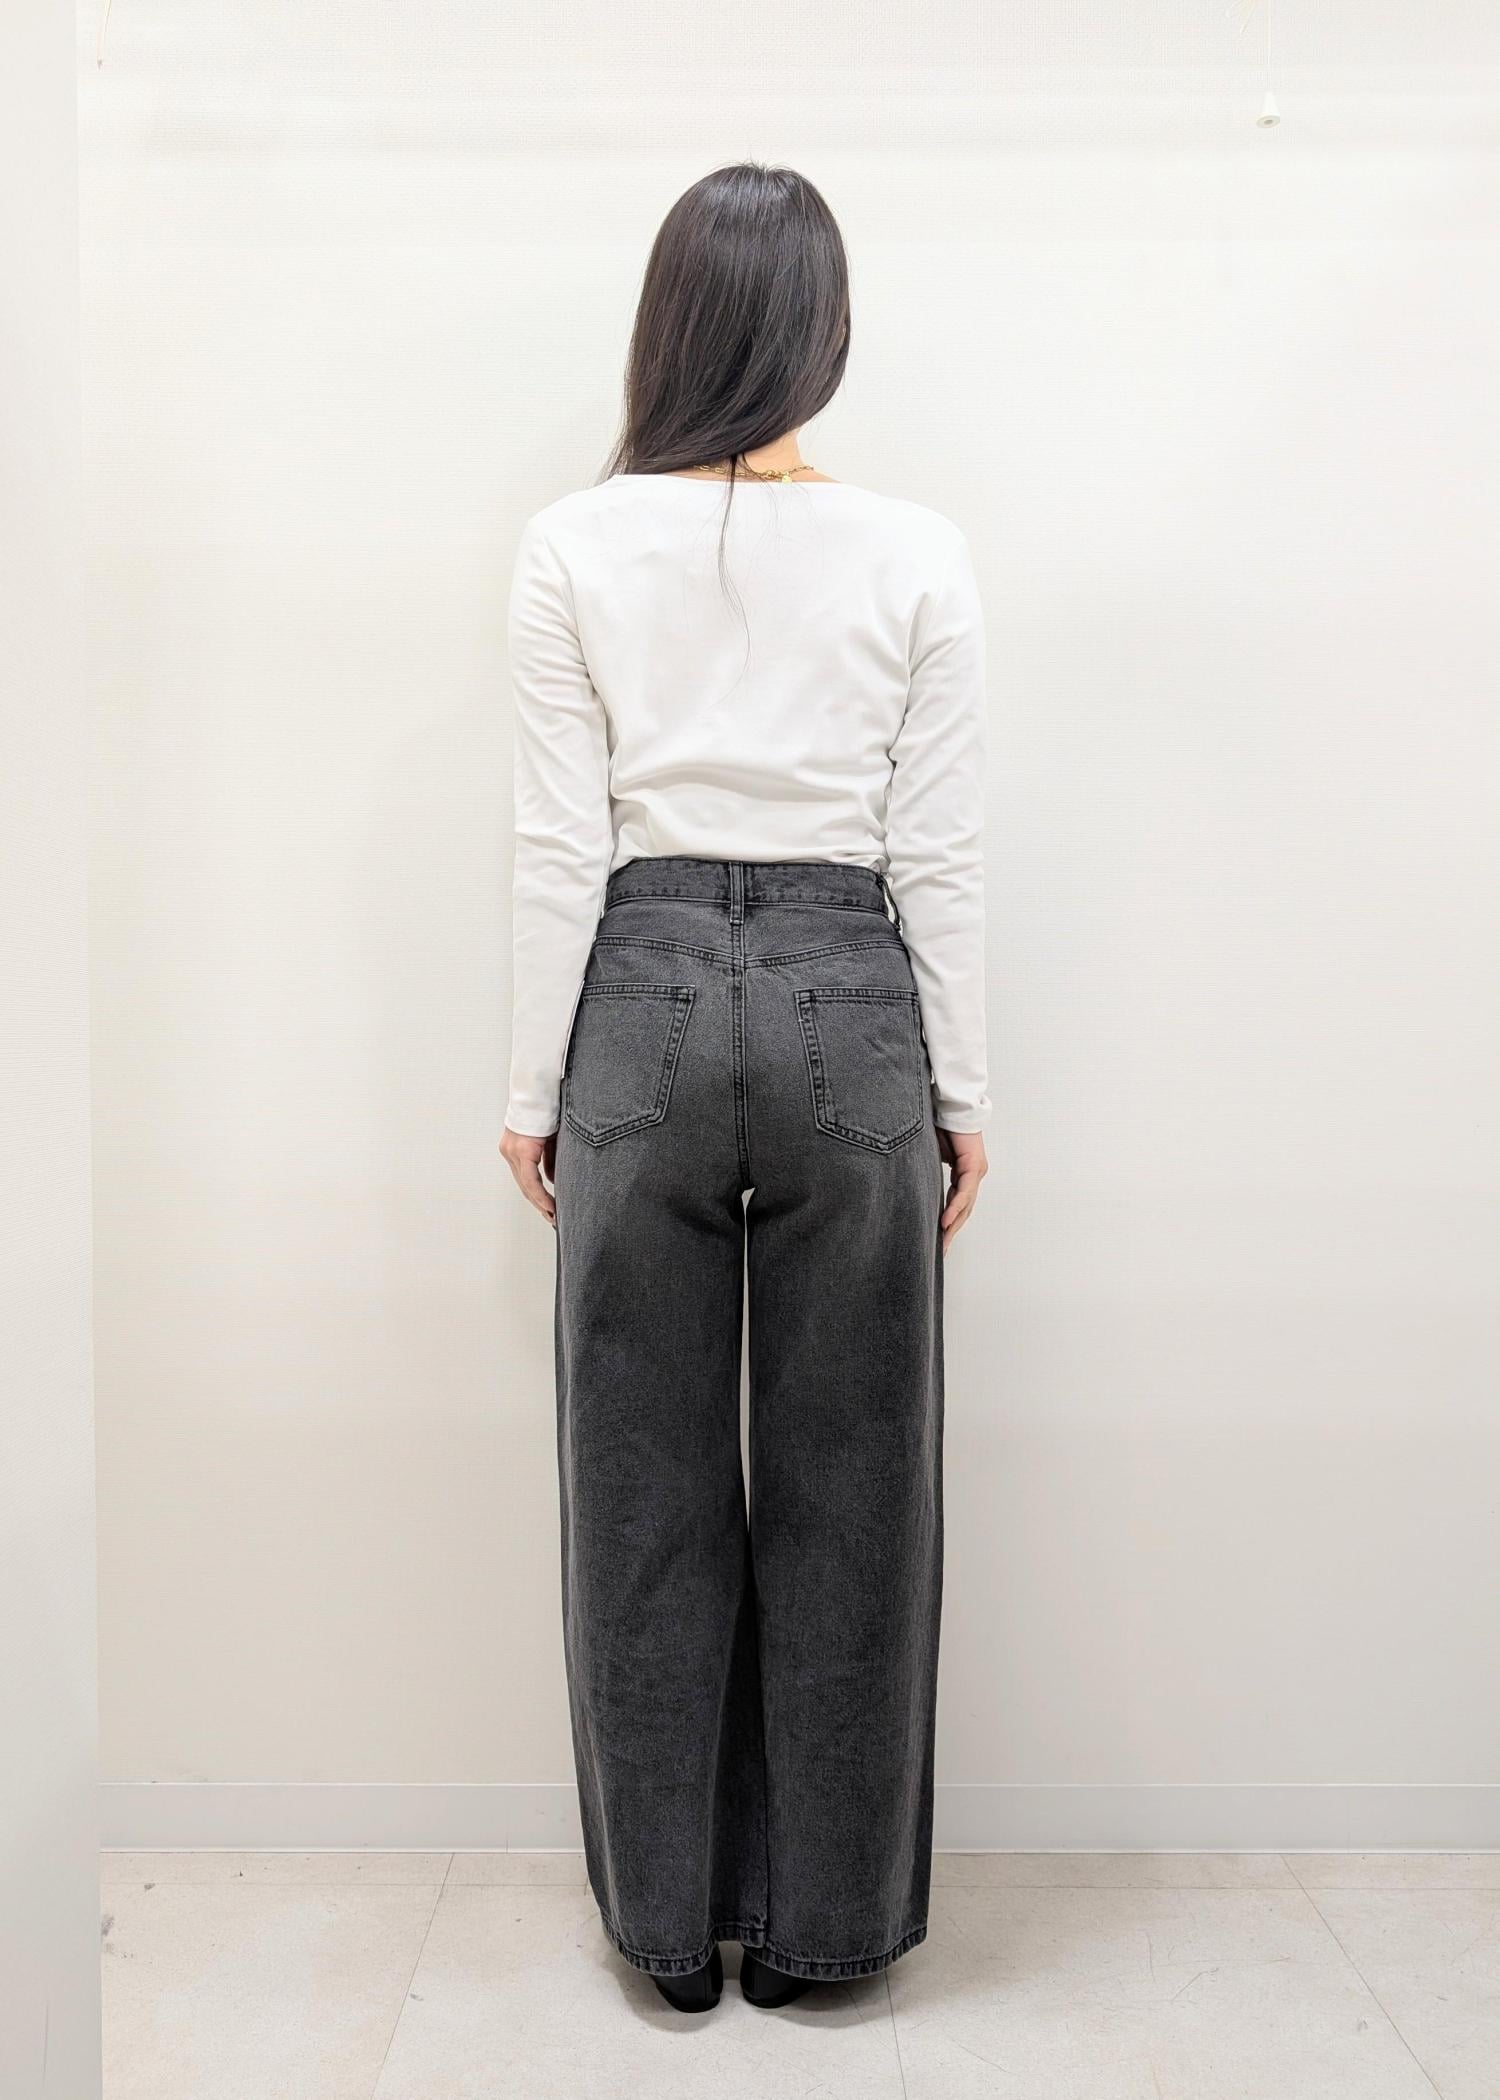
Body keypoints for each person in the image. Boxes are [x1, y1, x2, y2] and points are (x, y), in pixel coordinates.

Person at [499, 161, 990, 2015]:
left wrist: (531, 1084)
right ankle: (822, 1934)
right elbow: (937, 849)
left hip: (634, 994)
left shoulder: (572, 543)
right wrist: (966, 1091)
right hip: (853, 990)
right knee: (858, 1483)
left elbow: (562, 840)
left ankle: (667, 1933)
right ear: (826, 334)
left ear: (669, 327)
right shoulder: (916, 549)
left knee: (639, 1488)